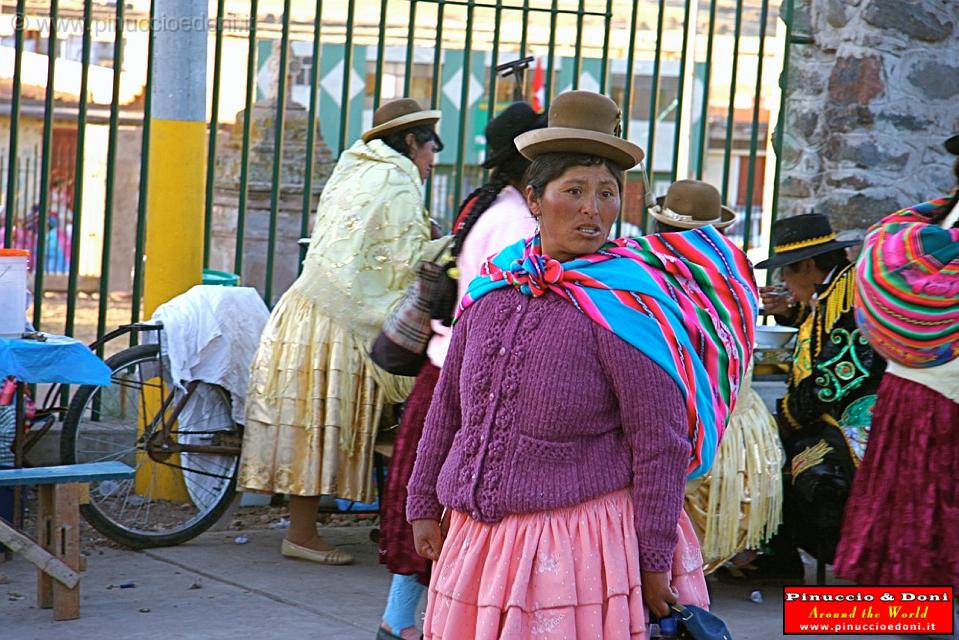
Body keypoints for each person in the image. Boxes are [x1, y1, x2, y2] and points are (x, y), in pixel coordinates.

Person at [406, 91, 758, 638]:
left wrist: (653, 558)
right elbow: (449, 408)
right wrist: (424, 500)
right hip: (479, 548)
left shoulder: (628, 307)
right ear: (534, 200)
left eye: (607, 194)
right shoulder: (492, 290)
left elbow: (659, 443)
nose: (593, 210)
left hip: (582, 552)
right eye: (574, 191)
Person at [237, 98, 443, 565]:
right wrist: (445, 244)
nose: (432, 164)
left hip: (309, 306)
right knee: (335, 425)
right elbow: (406, 259)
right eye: (431, 151)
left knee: (313, 423)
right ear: (412, 142)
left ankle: (325, 526)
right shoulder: (396, 180)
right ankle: (306, 534)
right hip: (342, 322)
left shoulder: (356, 169)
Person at [376, 102, 546, 640]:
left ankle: (399, 622)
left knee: (435, 523)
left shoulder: (486, 206)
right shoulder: (517, 224)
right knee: (461, 525)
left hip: (445, 372)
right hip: (475, 382)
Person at [834, 133, 959, 599]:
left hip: (909, 389)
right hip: (943, 398)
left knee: (918, 535)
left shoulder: (923, 227)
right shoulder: (931, 228)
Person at [647, 180, 785, 573]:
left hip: (687, 416)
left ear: (659, 229)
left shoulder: (646, 267)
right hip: (736, 417)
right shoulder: (733, 268)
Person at [747, 213, 886, 579]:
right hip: (837, 414)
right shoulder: (838, 287)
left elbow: (831, 383)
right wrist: (793, 311)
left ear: (808, 265)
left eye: (787, 273)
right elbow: (823, 331)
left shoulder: (852, 297)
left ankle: (786, 558)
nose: (783, 283)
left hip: (861, 422)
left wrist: (785, 422)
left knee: (778, 458)